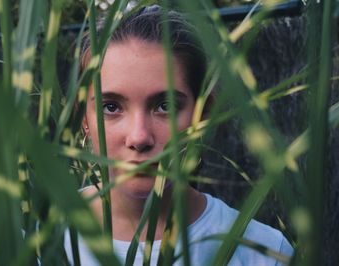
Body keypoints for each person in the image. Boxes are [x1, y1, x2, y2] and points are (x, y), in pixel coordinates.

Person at [64, 5, 293, 265]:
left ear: (203, 114)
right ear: (83, 118)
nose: (139, 138)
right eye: (111, 107)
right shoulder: (42, 240)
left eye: (166, 106)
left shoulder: (263, 252)